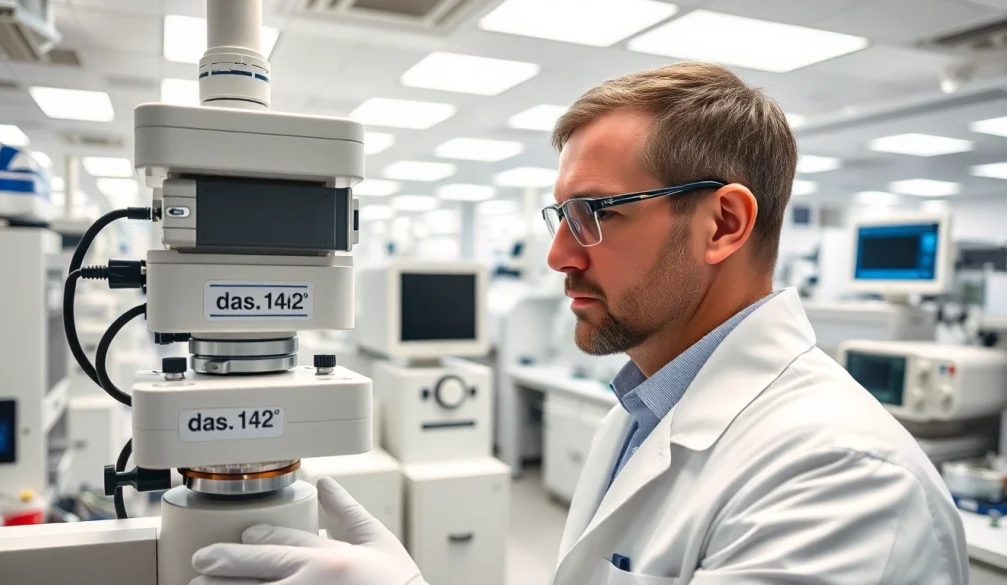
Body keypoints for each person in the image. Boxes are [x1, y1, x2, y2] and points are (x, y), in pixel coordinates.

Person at [189, 62, 969, 585]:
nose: (559, 254)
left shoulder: (846, 482)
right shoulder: (640, 411)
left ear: (723, 223)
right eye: (560, 215)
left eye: (593, 213)